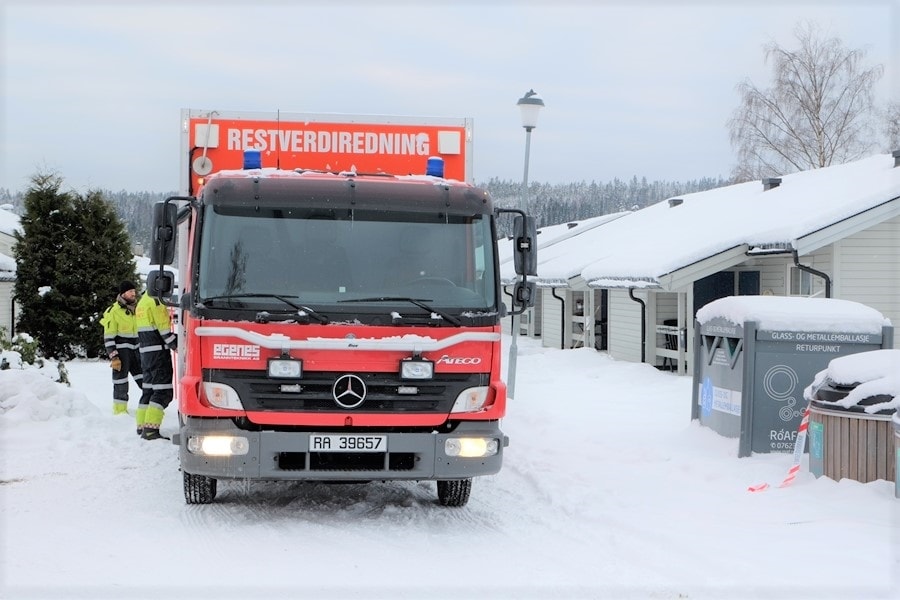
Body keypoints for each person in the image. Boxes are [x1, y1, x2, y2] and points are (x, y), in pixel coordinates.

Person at [100, 281, 150, 416]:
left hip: (137, 351)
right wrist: (114, 356)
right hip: (122, 352)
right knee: (120, 381)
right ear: (123, 294)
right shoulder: (113, 311)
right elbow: (109, 337)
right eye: (130, 292)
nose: (134, 294)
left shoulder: (137, 309)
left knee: (146, 379)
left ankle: (149, 408)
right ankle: (120, 411)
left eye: (134, 291)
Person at [135, 288, 177, 440]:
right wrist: (177, 345)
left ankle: (142, 426)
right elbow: (164, 330)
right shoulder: (156, 302)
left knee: (148, 391)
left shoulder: (142, 302)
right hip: (158, 354)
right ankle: (151, 430)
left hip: (146, 354)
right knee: (162, 392)